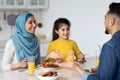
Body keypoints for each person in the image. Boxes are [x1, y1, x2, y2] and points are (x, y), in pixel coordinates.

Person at [55, 2, 120, 80]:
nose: (104, 22)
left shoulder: (110, 47)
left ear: (111, 21)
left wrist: (77, 68)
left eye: (105, 18)